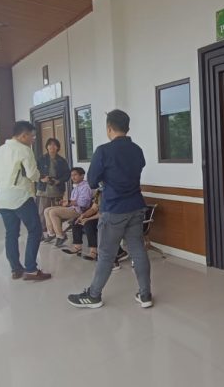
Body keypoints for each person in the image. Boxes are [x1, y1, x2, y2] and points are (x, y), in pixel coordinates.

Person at [67, 109, 151, 309]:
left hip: (114, 208)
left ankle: (93, 295)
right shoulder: (137, 150)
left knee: (106, 253)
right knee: (138, 250)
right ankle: (145, 294)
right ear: (127, 127)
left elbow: (92, 181)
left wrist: (106, 181)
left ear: (109, 128)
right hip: (136, 207)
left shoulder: (103, 151)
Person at [0, 121, 52, 281]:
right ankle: (31, 269)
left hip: (2, 198)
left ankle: (16, 269)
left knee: (11, 233)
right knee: (35, 231)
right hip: (20, 197)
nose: (33, 139)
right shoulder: (24, 150)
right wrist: (41, 177)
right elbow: (32, 174)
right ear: (23, 135)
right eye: (32, 136)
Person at [63, 188, 130, 266]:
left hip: (112, 217)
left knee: (89, 224)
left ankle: (96, 252)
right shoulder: (99, 192)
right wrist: (83, 216)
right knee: (76, 221)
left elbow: (104, 213)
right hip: (102, 216)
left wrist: (88, 219)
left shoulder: (113, 191)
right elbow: (93, 208)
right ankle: (78, 247)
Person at [43, 167, 92, 246]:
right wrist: (66, 202)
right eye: (72, 175)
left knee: (53, 212)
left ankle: (61, 236)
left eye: (75, 175)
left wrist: (69, 202)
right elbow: (72, 202)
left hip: (79, 211)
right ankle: (51, 234)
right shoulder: (77, 186)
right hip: (72, 208)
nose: (73, 177)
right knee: (47, 210)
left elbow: (83, 203)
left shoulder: (85, 187)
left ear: (82, 175)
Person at [36, 138, 70, 237]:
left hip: (57, 188)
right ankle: (44, 233)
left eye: (55, 145)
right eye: (50, 145)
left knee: (57, 211)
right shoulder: (41, 159)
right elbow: (35, 172)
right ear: (46, 147)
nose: (52, 147)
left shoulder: (62, 160)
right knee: (43, 212)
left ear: (58, 147)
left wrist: (59, 181)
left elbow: (67, 174)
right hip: (44, 189)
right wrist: (41, 178)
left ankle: (57, 231)